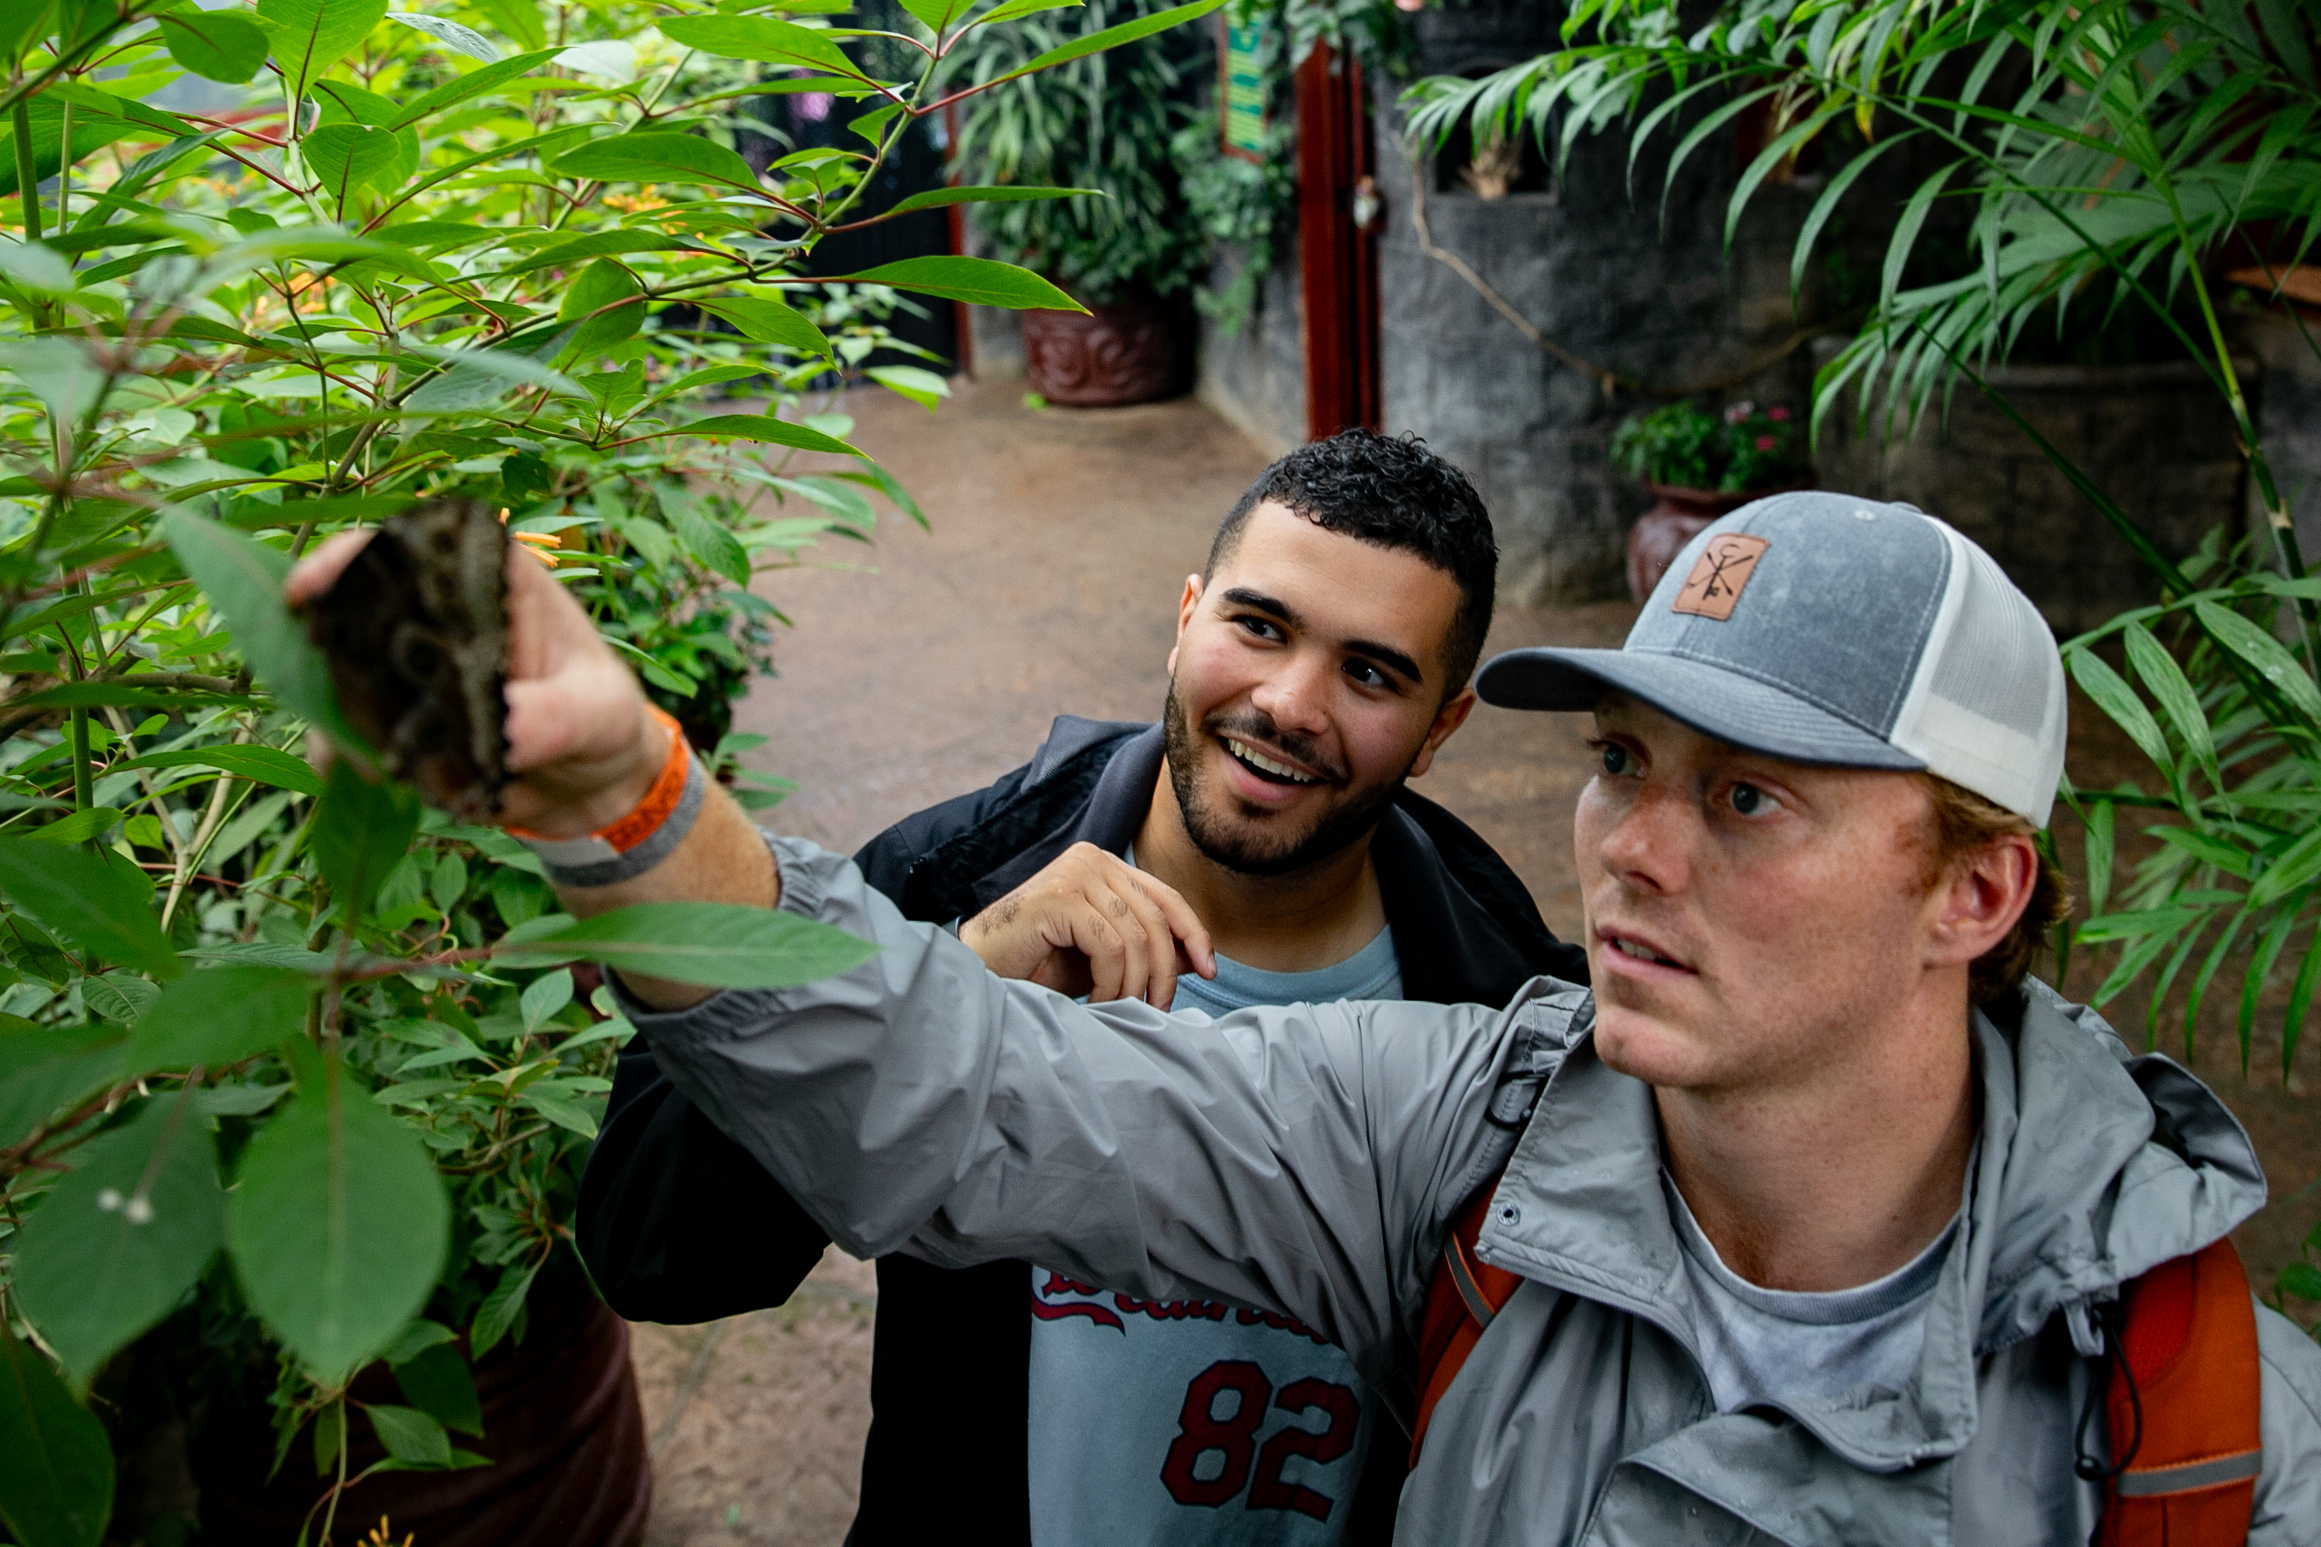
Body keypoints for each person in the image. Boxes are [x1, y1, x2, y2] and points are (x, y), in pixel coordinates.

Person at [294, 491, 2321, 1544]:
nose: (1629, 849)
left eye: (1745, 800)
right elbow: (960, 1086)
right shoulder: (1470, 1127)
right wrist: (628, 796)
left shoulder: (2208, 1429)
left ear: (1973, 891)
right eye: (1620, 762)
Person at [572, 430, 1588, 1545]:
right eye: (1259, 625)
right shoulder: (948, 879)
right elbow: (649, 1248)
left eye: (1369, 673)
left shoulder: (1508, 1006)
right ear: (1185, 617)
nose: (1289, 702)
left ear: (1441, 725)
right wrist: (947, 981)